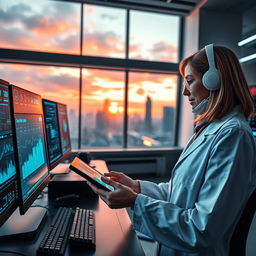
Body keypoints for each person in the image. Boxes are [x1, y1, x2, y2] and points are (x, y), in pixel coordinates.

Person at [87, 44, 256, 256]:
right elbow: (179, 193)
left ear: (215, 80)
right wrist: (136, 187)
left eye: (190, 81)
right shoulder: (209, 129)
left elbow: (202, 231)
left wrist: (135, 202)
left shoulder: (234, 136)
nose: (185, 92)